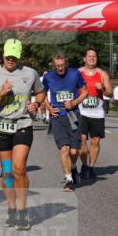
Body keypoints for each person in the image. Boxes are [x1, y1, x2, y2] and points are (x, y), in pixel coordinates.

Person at [0, 38, 45, 230]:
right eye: (8, 56)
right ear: (3, 54)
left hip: (23, 125)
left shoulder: (30, 73)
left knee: (19, 168)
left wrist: (36, 103)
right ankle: (11, 210)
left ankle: (23, 210)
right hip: (2, 128)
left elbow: (41, 92)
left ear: (19, 56)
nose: (11, 59)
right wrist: (1, 94)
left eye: (14, 56)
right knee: (8, 172)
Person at [42, 52, 87, 192]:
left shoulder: (75, 74)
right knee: (64, 148)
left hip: (73, 115)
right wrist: (49, 108)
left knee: (74, 151)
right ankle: (68, 179)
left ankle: (73, 167)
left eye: (62, 66)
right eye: (57, 66)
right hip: (58, 116)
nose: (60, 69)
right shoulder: (48, 76)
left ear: (66, 64)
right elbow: (41, 93)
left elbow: (85, 92)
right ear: (53, 66)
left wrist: (74, 102)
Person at [78, 48, 111, 179]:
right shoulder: (78, 73)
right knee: (82, 140)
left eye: (94, 57)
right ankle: (84, 165)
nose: (92, 58)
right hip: (81, 111)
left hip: (97, 113)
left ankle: (91, 167)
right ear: (84, 58)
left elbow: (110, 93)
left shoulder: (102, 74)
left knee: (95, 141)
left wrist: (102, 88)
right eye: (89, 56)